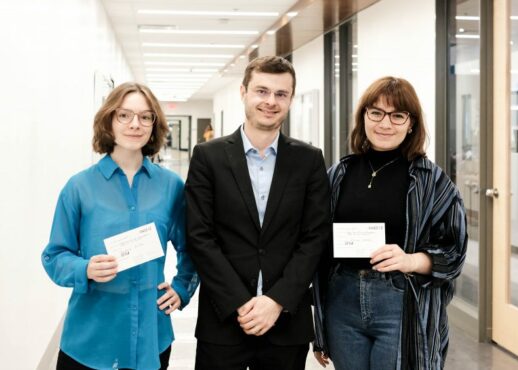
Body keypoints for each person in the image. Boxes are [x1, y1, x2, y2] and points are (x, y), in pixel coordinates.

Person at [185, 55, 331, 370]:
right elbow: (199, 236)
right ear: (244, 92)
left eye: (281, 94)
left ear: (291, 98)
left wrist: (276, 301)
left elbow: (315, 237)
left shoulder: (309, 160)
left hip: (286, 321)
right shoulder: (208, 157)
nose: (271, 101)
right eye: (262, 91)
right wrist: (241, 302)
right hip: (223, 318)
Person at [312, 76, 468, 370]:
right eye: (377, 113)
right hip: (342, 300)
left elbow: (455, 253)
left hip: (400, 301)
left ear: (411, 124)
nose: (385, 124)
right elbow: (316, 242)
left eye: (397, 115)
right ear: (364, 117)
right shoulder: (339, 174)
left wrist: (411, 261)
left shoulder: (431, 181)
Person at [42, 82, 199, 370]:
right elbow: (54, 256)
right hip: (90, 341)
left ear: (154, 124)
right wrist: (85, 268)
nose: (135, 124)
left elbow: (192, 248)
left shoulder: (170, 187)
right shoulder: (79, 188)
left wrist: (181, 288)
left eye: (145, 116)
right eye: (124, 115)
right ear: (109, 121)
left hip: (151, 336)